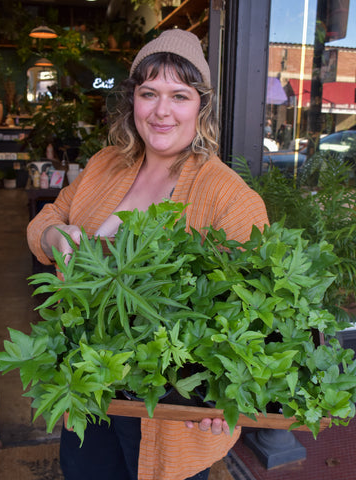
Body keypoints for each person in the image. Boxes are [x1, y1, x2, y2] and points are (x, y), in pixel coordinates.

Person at [27, 28, 269, 480]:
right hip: (89, 389)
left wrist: (221, 390)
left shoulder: (230, 200)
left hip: (169, 416)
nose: (161, 111)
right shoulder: (105, 164)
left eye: (179, 95)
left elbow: (252, 323)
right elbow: (46, 218)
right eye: (148, 93)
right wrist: (54, 238)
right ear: (132, 101)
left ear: (202, 105)